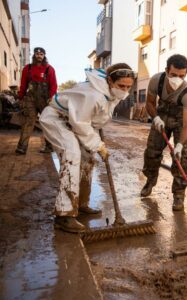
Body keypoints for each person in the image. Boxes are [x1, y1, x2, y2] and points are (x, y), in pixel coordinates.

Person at [39, 64, 136, 233]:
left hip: (75, 121)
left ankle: (81, 204)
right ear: (110, 80)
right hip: (57, 119)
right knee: (72, 154)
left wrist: (95, 143)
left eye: (129, 86)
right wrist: (98, 145)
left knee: (87, 158)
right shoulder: (94, 94)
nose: (125, 90)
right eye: (121, 86)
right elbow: (81, 123)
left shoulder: (111, 93)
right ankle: (64, 215)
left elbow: (95, 119)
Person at [140, 54, 187, 211]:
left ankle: (179, 195)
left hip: (180, 119)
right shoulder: (156, 80)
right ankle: (150, 180)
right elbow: (150, 103)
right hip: (162, 114)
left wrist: (179, 145)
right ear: (166, 70)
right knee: (152, 151)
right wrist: (155, 118)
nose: (177, 79)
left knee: (182, 156)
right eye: (173, 75)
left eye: (181, 76)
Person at [16, 47, 57, 154]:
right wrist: (20, 97)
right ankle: (22, 147)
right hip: (30, 100)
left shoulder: (49, 69)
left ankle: (49, 146)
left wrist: (51, 98)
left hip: (45, 100)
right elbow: (23, 84)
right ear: (34, 55)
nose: (39, 56)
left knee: (46, 123)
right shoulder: (27, 68)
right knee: (28, 122)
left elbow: (53, 86)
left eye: (41, 54)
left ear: (44, 56)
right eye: (37, 54)